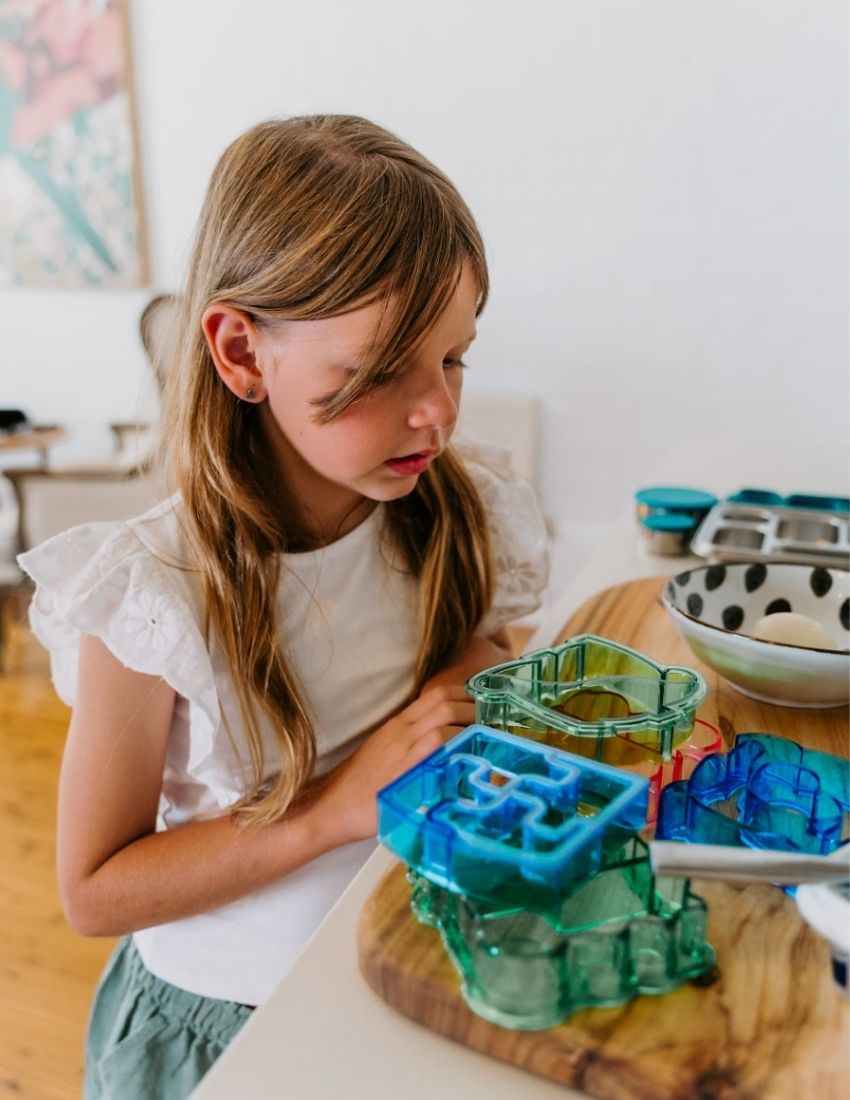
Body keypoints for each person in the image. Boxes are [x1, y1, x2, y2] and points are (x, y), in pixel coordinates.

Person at [19, 114, 549, 1099]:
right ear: (241, 352)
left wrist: (468, 677)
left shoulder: (454, 504)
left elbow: (475, 650)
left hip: (390, 979)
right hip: (222, 1035)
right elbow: (94, 889)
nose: (435, 406)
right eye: (381, 370)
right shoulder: (151, 597)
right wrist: (336, 809)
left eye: (455, 356)